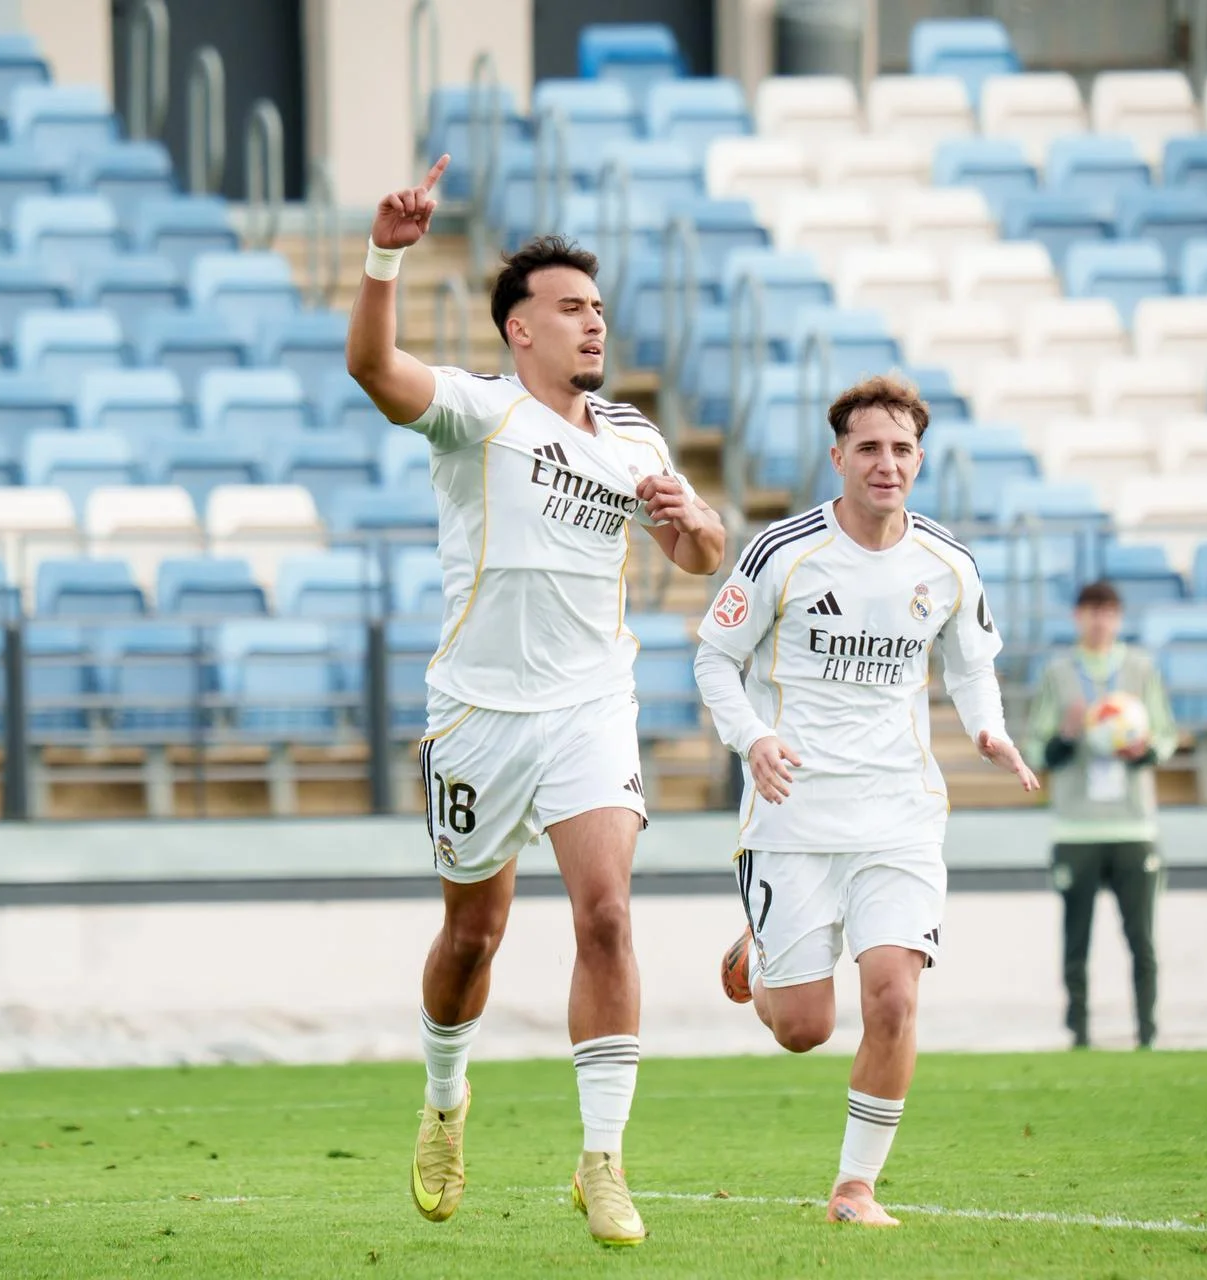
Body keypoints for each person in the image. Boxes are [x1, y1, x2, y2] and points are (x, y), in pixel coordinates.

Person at [345, 156, 725, 1247]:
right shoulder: (479, 416)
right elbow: (373, 365)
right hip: (476, 712)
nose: (592, 323)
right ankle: (444, 1101)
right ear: (521, 331)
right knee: (475, 932)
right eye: (569, 308)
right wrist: (384, 257)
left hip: (589, 704)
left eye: (598, 307)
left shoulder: (636, 436)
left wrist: (684, 518)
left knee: (606, 912)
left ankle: (601, 1158)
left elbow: (702, 554)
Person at [694, 374, 1039, 1228]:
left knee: (893, 996)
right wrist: (754, 739)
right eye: (870, 448)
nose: (888, 464)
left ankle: (855, 1188)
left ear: (920, 459)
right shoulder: (784, 551)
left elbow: (968, 663)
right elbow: (713, 660)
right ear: (838, 456)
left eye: (903, 449)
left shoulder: (947, 562)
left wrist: (988, 729)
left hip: (900, 813)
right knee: (805, 1028)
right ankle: (760, 961)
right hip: (796, 816)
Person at [1022, 580, 1178, 1050]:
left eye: (1108, 611)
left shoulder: (1140, 669)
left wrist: (1141, 749)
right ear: (1077, 617)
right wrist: (1066, 737)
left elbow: (1166, 738)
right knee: (1076, 940)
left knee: (1142, 939)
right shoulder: (1059, 672)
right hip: (1076, 828)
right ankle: (1079, 1036)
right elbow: (1035, 748)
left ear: (1119, 618)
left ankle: (1148, 1035)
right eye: (1091, 610)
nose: (1099, 620)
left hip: (1133, 826)